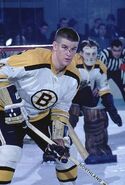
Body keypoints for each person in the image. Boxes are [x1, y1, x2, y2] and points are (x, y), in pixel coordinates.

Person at [0, 27, 81, 185]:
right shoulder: (33, 58)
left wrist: (57, 138)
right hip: (7, 114)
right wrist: (12, 104)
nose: (69, 53)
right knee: (9, 154)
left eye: (73, 49)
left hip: (40, 116)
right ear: (54, 46)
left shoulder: (73, 77)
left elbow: (61, 108)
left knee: (66, 157)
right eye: (64, 47)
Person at [69, 39, 122, 164]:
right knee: (65, 121)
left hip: (89, 98)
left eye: (94, 54)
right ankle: (57, 147)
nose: (91, 57)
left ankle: (98, 149)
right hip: (70, 97)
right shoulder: (71, 63)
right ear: (81, 53)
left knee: (97, 116)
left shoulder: (100, 67)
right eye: (87, 54)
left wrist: (113, 113)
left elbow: (105, 91)